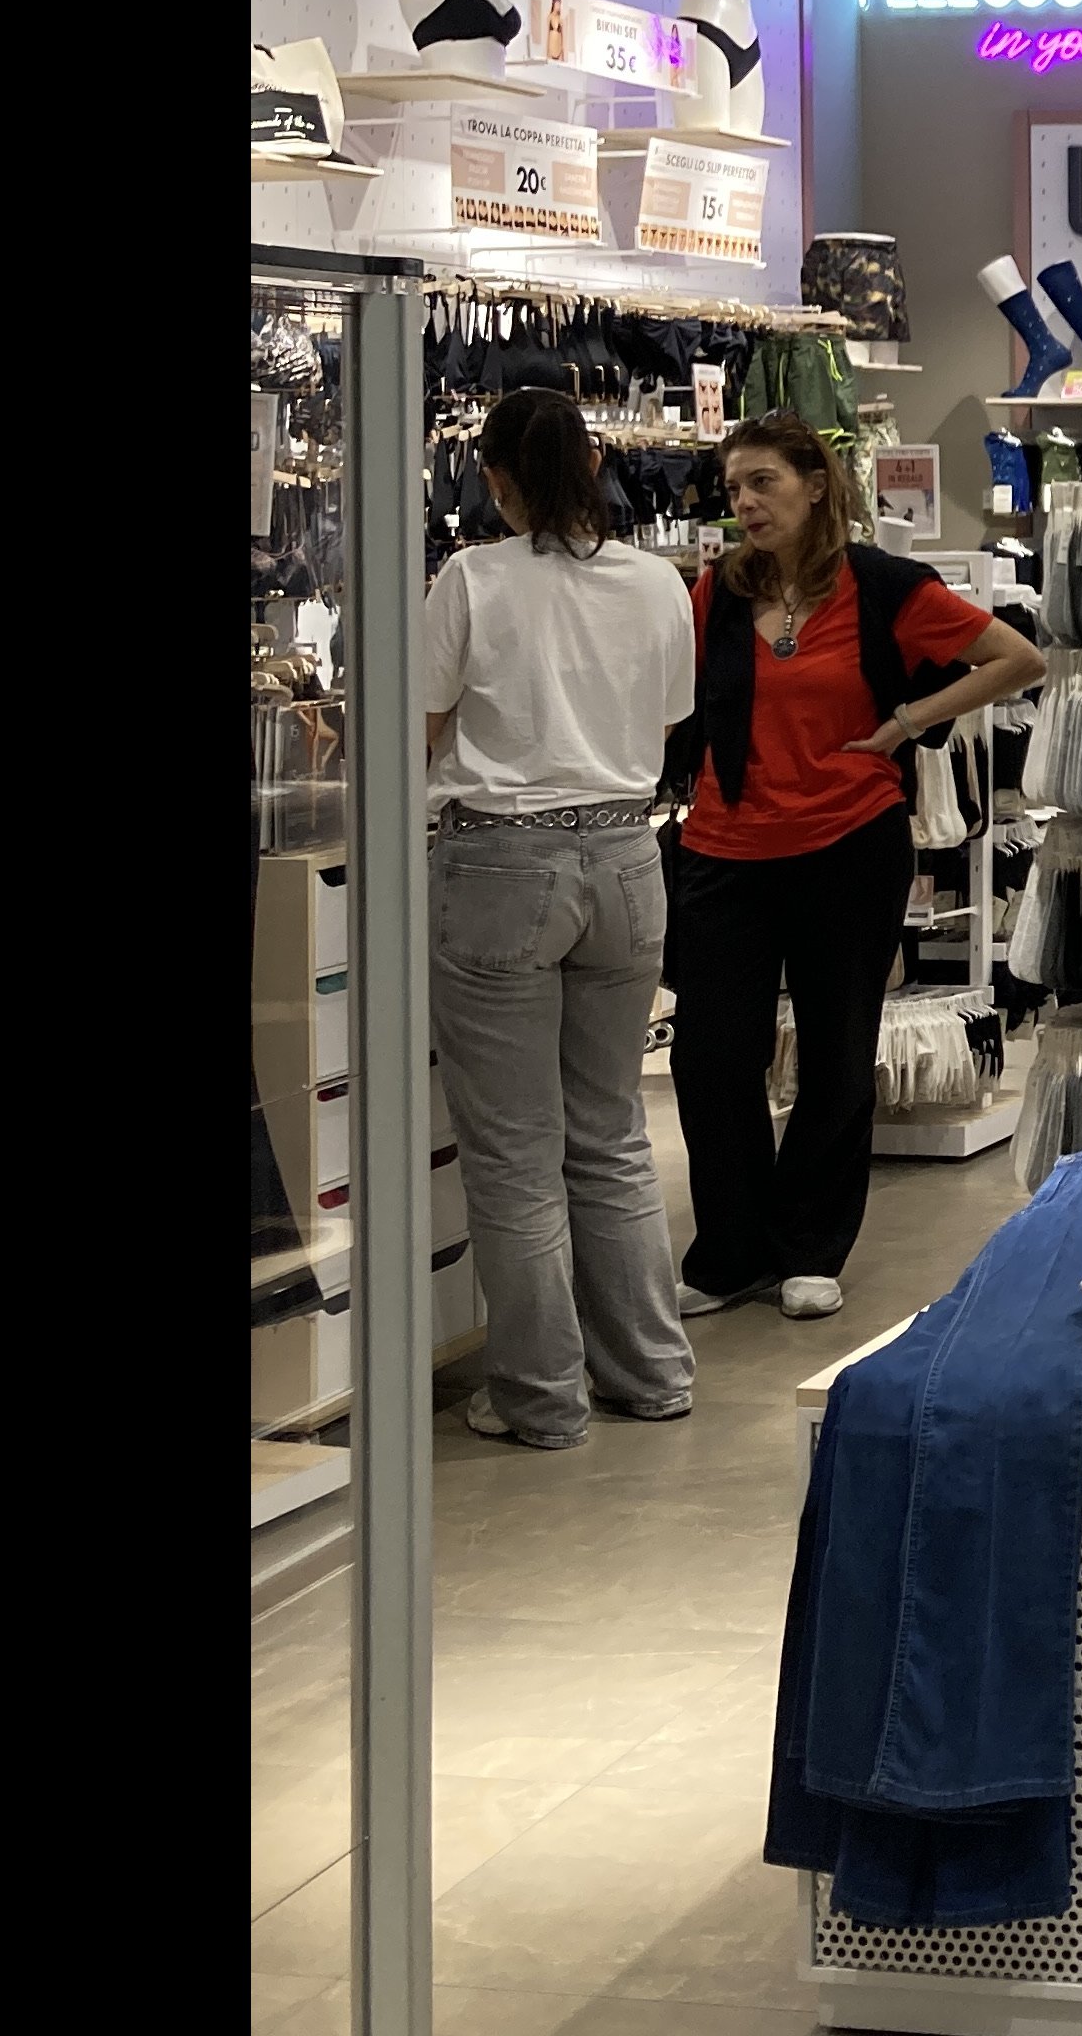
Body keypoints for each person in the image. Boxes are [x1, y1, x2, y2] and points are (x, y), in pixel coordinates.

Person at [666, 412, 1047, 1319]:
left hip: (847, 843)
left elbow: (1017, 658)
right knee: (711, 1056)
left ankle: (809, 1248)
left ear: (816, 486)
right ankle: (731, 1252)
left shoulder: (882, 586)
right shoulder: (718, 592)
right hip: (725, 847)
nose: (745, 502)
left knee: (837, 1052)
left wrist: (909, 723)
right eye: (734, 488)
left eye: (763, 482)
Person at [424, 388, 701, 1448]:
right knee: (612, 1132)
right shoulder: (656, 582)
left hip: (503, 861)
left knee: (514, 1152)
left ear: (495, 480)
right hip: (627, 856)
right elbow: (666, 720)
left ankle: (540, 1396)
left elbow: (419, 722)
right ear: (593, 464)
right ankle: (651, 1372)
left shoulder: (472, 579)